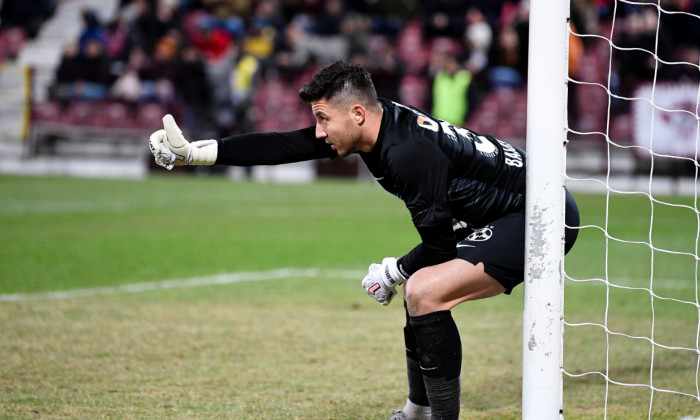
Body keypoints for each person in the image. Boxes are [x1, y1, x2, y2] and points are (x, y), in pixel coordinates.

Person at [148, 60, 579, 420]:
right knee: (420, 290)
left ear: (356, 114)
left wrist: (392, 271)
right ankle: (417, 411)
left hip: (540, 215)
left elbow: (439, 249)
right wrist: (198, 152)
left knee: (425, 290)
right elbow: (285, 145)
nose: (318, 131)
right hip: (508, 210)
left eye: (322, 119)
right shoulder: (375, 124)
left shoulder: (407, 153)